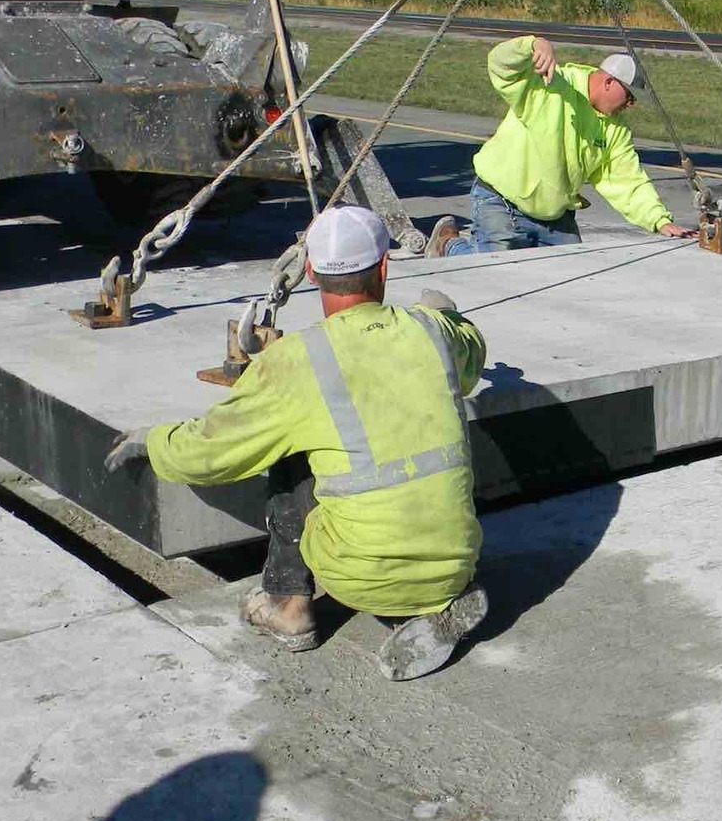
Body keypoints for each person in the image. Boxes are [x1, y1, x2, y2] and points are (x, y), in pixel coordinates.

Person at [107, 206, 491, 682]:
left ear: (310, 272)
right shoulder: (432, 332)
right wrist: (445, 314)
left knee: (290, 441)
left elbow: (211, 452)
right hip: (456, 562)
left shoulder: (298, 361)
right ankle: (432, 605)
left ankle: (286, 603)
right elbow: (470, 352)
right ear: (384, 266)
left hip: (359, 572)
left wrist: (156, 441)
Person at [425, 35, 698, 255]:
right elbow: (500, 66)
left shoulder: (614, 129)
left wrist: (659, 221)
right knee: (494, 274)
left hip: (555, 215)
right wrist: (532, 45)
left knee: (574, 274)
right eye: (629, 96)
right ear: (608, 83)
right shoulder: (551, 84)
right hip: (502, 202)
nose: (631, 104)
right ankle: (447, 244)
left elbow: (626, 180)